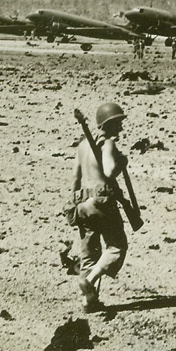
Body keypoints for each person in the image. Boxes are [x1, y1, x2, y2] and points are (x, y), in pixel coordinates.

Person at [72, 102, 131, 313]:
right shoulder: (107, 144)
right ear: (109, 124)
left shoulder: (82, 145)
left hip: (84, 204)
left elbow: (75, 178)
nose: (121, 129)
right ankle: (90, 279)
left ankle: (89, 301)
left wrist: (73, 204)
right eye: (118, 124)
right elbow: (109, 171)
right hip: (102, 202)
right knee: (116, 246)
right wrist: (121, 162)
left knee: (89, 254)